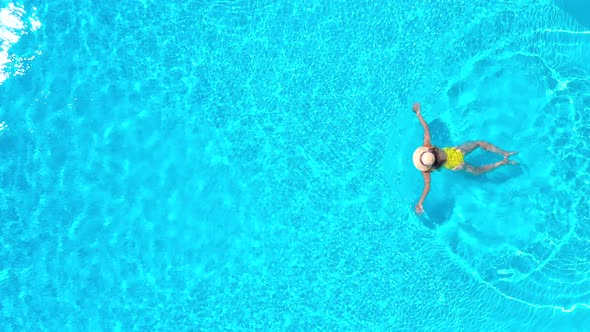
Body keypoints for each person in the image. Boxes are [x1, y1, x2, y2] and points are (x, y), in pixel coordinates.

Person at [411, 102, 518, 214]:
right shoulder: (428, 146)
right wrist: (418, 113)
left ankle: (502, 163)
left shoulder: (426, 170)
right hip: (455, 151)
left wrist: (420, 203)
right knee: (479, 143)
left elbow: (427, 186)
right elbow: (426, 130)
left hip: (456, 165)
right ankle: (505, 153)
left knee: (477, 171)